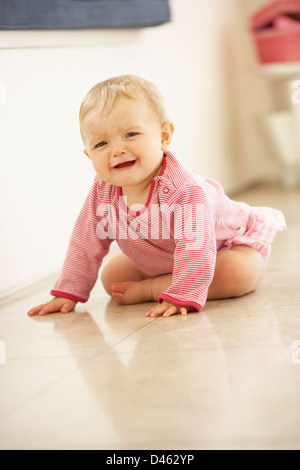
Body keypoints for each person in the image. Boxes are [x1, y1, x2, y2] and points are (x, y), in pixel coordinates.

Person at [28, 74, 286, 318]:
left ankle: (156, 288)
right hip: (165, 258)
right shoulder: (102, 189)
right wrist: (68, 292)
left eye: (130, 134)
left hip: (222, 249)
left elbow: (195, 247)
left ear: (163, 137)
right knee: (112, 277)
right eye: (101, 144)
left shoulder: (183, 190)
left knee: (236, 274)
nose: (117, 150)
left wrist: (181, 294)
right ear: (88, 155)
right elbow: (85, 242)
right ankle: (166, 280)